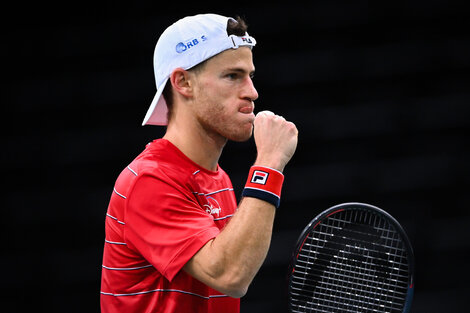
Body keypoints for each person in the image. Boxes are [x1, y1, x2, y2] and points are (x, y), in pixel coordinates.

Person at [100, 13, 298, 313]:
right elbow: (230, 275)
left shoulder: (219, 180)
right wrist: (269, 164)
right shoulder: (149, 179)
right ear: (183, 82)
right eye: (232, 76)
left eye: (250, 76)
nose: (252, 92)